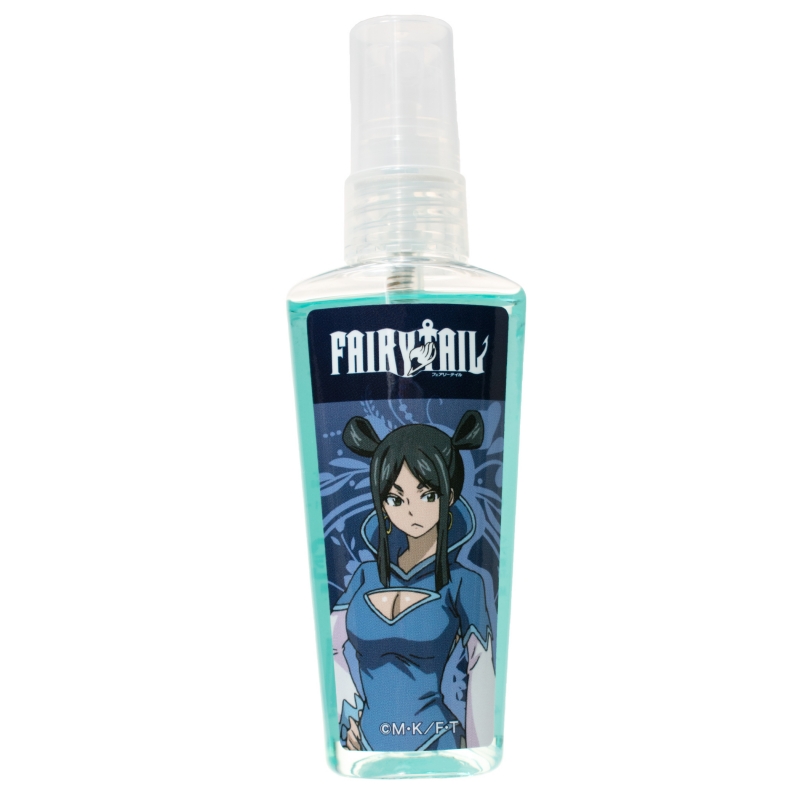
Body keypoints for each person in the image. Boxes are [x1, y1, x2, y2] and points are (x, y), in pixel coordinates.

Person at [331, 410, 496, 752]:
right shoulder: (364, 576)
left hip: (438, 742)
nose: (411, 511)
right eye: (395, 498)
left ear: (450, 497)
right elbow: (330, 648)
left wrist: (476, 749)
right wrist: (347, 715)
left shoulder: (464, 582)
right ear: (382, 504)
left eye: (428, 495)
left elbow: (481, 667)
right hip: (362, 743)